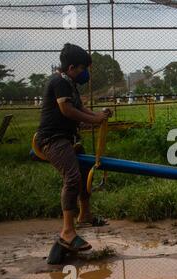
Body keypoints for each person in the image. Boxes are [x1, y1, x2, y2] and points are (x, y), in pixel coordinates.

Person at [35, 43, 112, 254]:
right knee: (72, 177)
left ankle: (84, 215)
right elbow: (67, 110)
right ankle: (67, 232)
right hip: (52, 140)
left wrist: (98, 116)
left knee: (85, 171)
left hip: (68, 139)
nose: (85, 73)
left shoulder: (70, 85)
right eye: (82, 68)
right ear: (71, 68)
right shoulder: (59, 82)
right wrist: (94, 119)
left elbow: (80, 108)